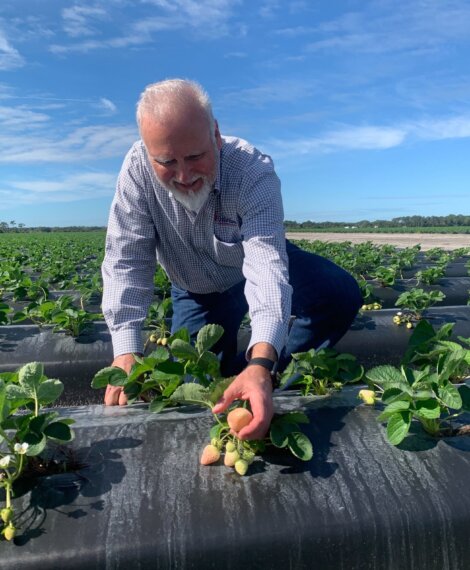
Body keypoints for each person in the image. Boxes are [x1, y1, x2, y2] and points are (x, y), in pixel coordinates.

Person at [102, 78, 362, 440]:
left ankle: (264, 379)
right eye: (167, 161)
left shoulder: (251, 171)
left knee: (336, 292)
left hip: (250, 268)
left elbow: (266, 265)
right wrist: (126, 350)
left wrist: (261, 363)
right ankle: (236, 384)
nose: (184, 175)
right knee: (196, 390)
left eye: (195, 157)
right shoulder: (136, 173)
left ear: (216, 135)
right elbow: (126, 259)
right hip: (196, 288)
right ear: (148, 153)